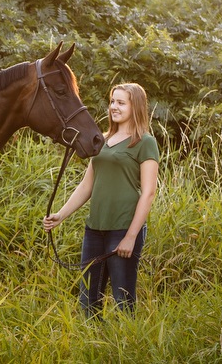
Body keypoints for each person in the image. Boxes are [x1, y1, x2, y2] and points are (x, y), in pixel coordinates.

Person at [43, 82, 159, 317]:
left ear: (134, 106)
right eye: (112, 101)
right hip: (94, 229)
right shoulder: (103, 139)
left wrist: (130, 236)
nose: (114, 107)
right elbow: (87, 185)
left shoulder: (145, 142)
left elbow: (149, 193)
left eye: (120, 102)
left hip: (123, 228)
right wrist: (60, 215)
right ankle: (93, 346)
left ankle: (126, 348)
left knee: (123, 300)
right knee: (88, 298)